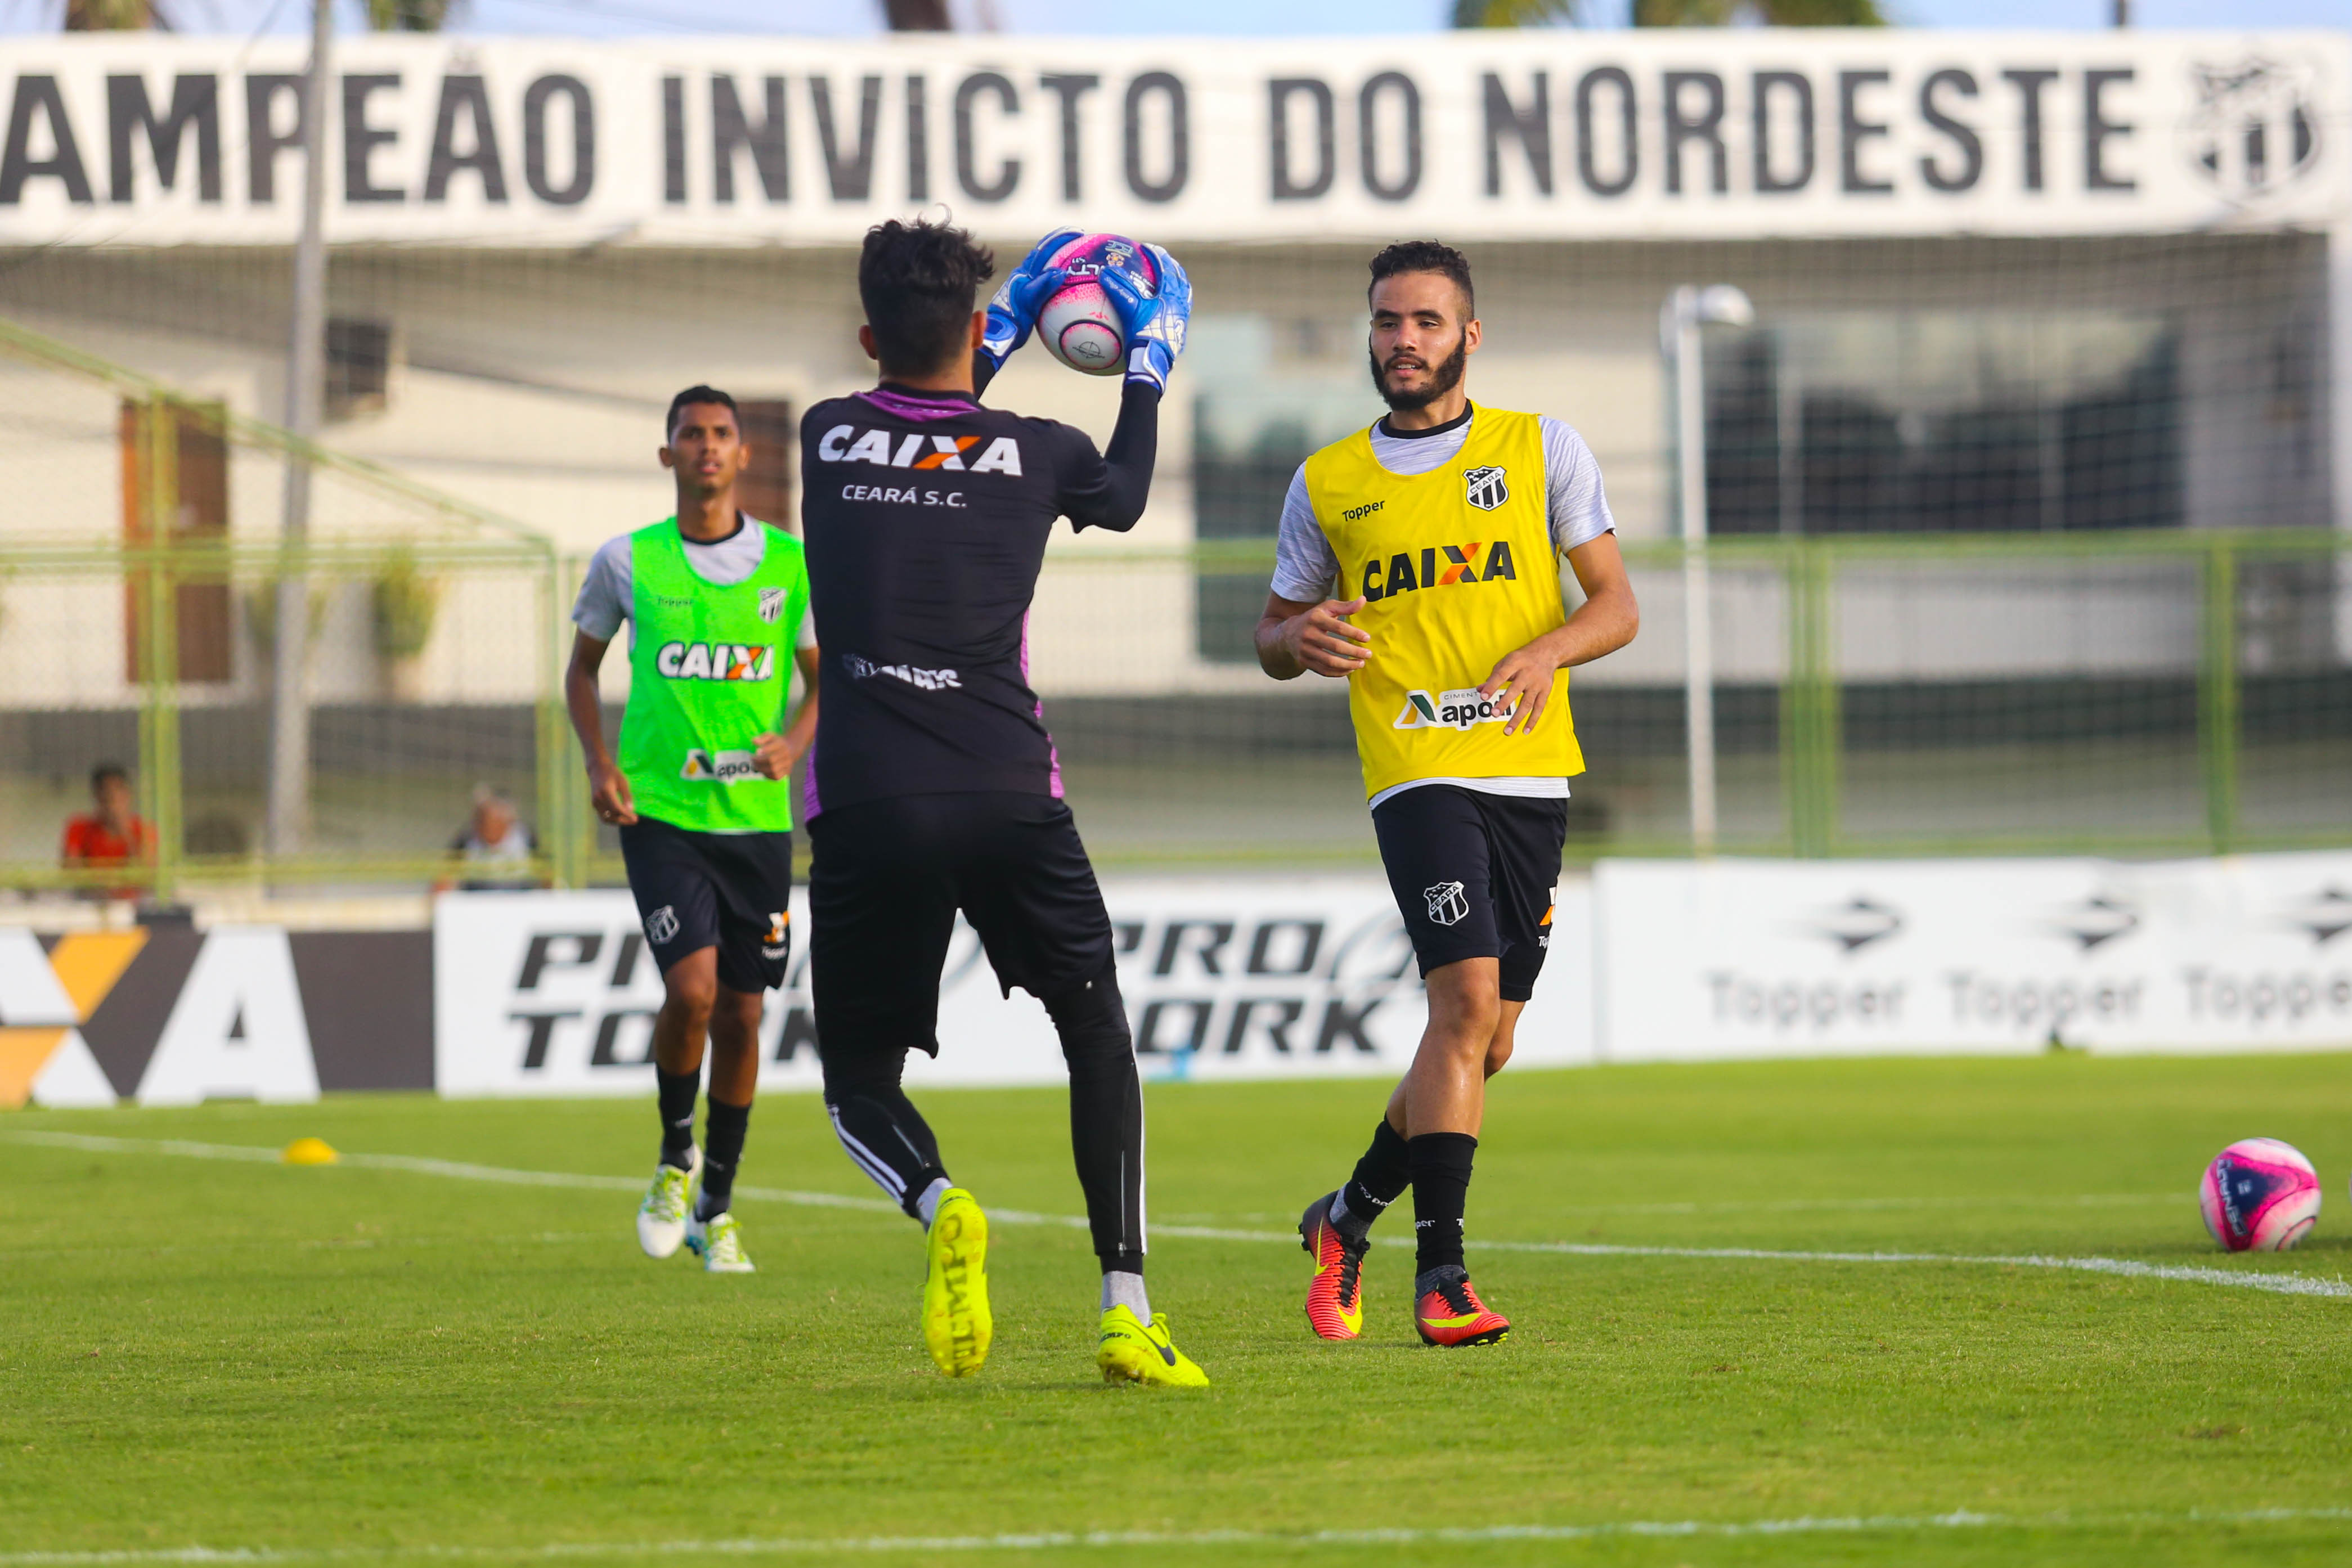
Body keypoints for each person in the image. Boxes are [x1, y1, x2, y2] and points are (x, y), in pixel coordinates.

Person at [797, 219, 1205, 1386]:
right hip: (1006, 788)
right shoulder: (1038, 452)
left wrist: (1007, 327)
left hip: (868, 799)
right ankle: (1125, 1301)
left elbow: (923, 411)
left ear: (870, 334)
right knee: (1094, 1029)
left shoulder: (828, 436)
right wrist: (1146, 361)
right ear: (973, 331)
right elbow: (1123, 496)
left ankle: (938, 1200)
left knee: (859, 1087)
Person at [1255, 241, 1640, 1348]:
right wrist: (1298, 635)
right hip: (1413, 769)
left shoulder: (1537, 448)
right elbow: (1270, 633)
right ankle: (1443, 1276)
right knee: (1461, 1006)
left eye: (1425, 321)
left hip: (1529, 771)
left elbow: (1614, 603)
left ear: (1467, 335)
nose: (1402, 340)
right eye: (1385, 322)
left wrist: (1549, 650)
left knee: (1486, 1041)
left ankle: (1345, 1217)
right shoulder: (1326, 480)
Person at [564, 385, 819, 1275]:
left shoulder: (791, 565)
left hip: (756, 820)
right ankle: (676, 1158)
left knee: (747, 1014)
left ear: (743, 454)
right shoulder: (627, 562)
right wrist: (601, 763)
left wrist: (794, 739)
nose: (706, 448)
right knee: (698, 992)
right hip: (663, 813)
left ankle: (718, 1203)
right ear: (667, 454)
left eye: (721, 435)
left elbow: (822, 678)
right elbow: (580, 672)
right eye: (690, 436)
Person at [60, 762, 155, 901]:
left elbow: (149, 872)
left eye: (118, 796)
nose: (113, 805)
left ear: (128, 795)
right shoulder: (79, 827)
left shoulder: (144, 829)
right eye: (107, 798)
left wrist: (125, 831)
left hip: (132, 900)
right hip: (92, 899)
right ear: (97, 798)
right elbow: (71, 869)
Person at [441, 785, 537, 892]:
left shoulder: (525, 837)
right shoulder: (467, 839)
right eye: (480, 819)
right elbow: (446, 876)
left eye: (489, 820)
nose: (483, 825)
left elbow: (548, 879)